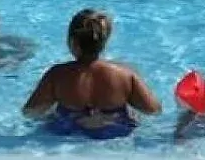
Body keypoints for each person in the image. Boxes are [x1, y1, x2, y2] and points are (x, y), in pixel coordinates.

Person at [23, 9, 162, 138]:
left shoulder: (57, 74)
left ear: (72, 42)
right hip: (114, 130)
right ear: (104, 42)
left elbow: (30, 112)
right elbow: (153, 110)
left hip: (68, 130)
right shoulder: (125, 74)